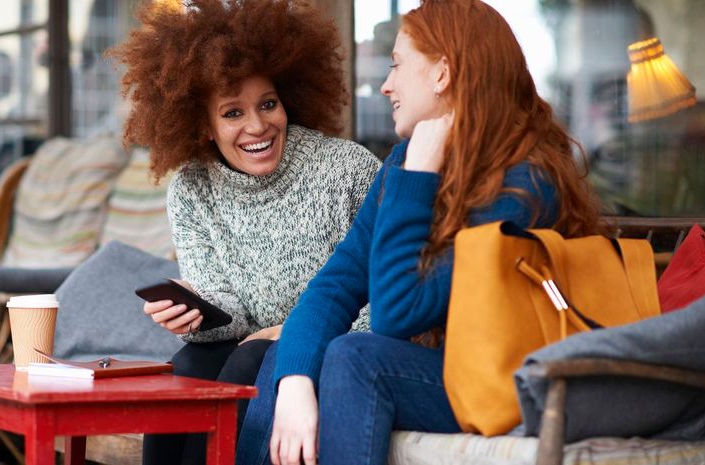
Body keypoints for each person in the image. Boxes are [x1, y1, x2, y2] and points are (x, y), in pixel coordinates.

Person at [236, 1, 607, 464]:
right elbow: (338, 282)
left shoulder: (525, 183)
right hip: (451, 372)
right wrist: (294, 383)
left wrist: (419, 178)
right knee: (285, 359)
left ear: (442, 73)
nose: (386, 84)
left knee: (356, 359)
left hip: (516, 383)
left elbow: (397, 313)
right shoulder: (406, 162)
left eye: (397, 65)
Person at [108, 1, 380, 464]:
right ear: (202, 125)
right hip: (253, 344)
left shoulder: (349, 169)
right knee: (187, 367)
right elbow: (231, 314)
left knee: (248, 362)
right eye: (233, 113)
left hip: (338, 342)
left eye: (268, 104)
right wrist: (197, 315)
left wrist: (290, 333)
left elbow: (388, 298)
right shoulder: (192, 190)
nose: (257, 126)